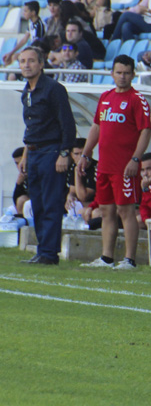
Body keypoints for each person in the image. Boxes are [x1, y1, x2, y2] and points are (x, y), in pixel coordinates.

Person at [78, 55, 151, 270]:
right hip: (104, 166)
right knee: (106, 211)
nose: (122, 76)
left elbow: (145, 131)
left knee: (126, 211)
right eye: (119, 72)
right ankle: (106, 257)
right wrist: (86, 152)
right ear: (112, 74)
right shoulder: (106, 97)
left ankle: (129, 259)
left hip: (124, 167)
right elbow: (97, 127)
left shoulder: (137, 99)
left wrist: (135, 159)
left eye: (127, 73)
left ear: (133, 74)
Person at [17, 47, 76, 265]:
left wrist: (64, 153)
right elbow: (31, 128)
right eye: (22, 61)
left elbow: (67, 124)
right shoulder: (26, 91)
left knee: (51, 203)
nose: (26, 65)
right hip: (33, 153)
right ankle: (43, 250)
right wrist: (25, 155)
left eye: (31, 61)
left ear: (41, 64)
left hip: (51, 152)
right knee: (38, 204)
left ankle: (50, 253)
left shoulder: (53, 89)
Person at [3, 1, 45, 67]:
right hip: (32, 49)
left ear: (33, 13)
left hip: (38, 52)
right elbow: (24, 39)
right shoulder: (30, 22)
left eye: (25, 11)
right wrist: (11, 53)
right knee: (10, 58)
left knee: (16, 58)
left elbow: (37, 44)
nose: (23, 13)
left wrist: (22, 53)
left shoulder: (39, 25)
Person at [66, 138, 97, 216]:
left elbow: (83, 196)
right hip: (83, 204)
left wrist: (77, 172)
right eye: (76, 154)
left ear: (91, 153)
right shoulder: (73, 166)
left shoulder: (96, 168)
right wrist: (70, 197)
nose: (80, 157)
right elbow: (72, 191)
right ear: (71, 155)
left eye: (83, 154)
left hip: (96, 205)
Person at [12, 147, 30, 215]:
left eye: (20, 162)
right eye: (16, 163)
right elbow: (15, 201)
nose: (19, 166)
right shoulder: (22, 176)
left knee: (23, 201)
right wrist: (19, 183)